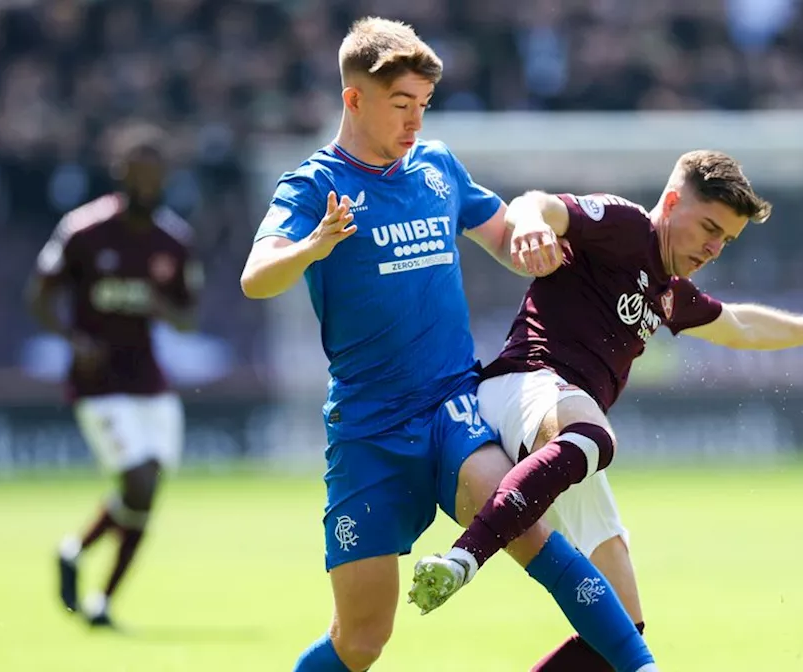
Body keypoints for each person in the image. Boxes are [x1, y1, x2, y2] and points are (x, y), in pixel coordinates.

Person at [239, 17, 658, 672]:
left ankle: (641, 665)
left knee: (526, 526)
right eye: (401, 104)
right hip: (369, 433)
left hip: (450, 409)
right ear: (354, 99)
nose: (414, 121)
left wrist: (529, 235)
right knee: (362, 641)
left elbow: (503, 235)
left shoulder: (436, 168)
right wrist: (313, 245)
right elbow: (256, 278)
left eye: (423, 106)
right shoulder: (313, 185)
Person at [409, 151, 803, 668]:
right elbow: (542, 204)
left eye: (725, 240)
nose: (713, 248)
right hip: (521, 386)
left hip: (568, 431)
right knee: (597, 437)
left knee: (618, 632)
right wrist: (528, 223)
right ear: (674, 201)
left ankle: (474, 558)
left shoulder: (669, 293)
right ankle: (463, 558)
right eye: (708, 227)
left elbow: (743, 327)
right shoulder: (625, 225)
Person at [27, 124, 201, 628]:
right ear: (121, 173)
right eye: (138, 172)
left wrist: (160, 305)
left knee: (144, 491)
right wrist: (73, 339)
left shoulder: (175, 240)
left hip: (151, 380)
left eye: (155, 174)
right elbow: (37, 295)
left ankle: (91, 582)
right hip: (99, 382)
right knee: (139, 480)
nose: (147, 182)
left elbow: (189, 317)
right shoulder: (84, 230)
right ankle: (90, 575)